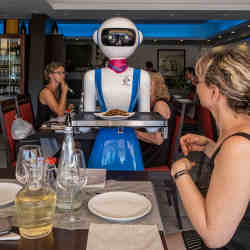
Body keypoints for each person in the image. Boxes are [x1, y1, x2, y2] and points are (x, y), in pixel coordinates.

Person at [166, 47, 250, 250]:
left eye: (198, 81)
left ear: (214, 92)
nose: (195, 86)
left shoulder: (238, 146)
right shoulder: (237, 133)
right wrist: (210, 148)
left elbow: (214, 236)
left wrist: (180, 172)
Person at [83, 17, 153, 171]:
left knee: (102, 186)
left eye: (124, 37)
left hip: (110, 140)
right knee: (131, 186)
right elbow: (148, 123)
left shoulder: (92, 76)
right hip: (126, 141)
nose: (118, 41)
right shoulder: (142, 76)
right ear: (139, 38)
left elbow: (85, 127)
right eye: (112, 37)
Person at [136, 72, 174, 168]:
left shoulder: (160, 105)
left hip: (153, 156)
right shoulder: (148, 105)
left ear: (157, 88)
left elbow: (157, 139)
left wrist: (132, 133)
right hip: (147, 150)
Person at [35, 62, 71, 129]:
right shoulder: (46, 92)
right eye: (59, 73)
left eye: (63, 73)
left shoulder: (57, 89)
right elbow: (60, 113)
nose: (62, 75)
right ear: (50, 75)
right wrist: (64, 92)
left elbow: (59, 109)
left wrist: (68, 109)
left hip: (53, 125)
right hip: (43, 130)